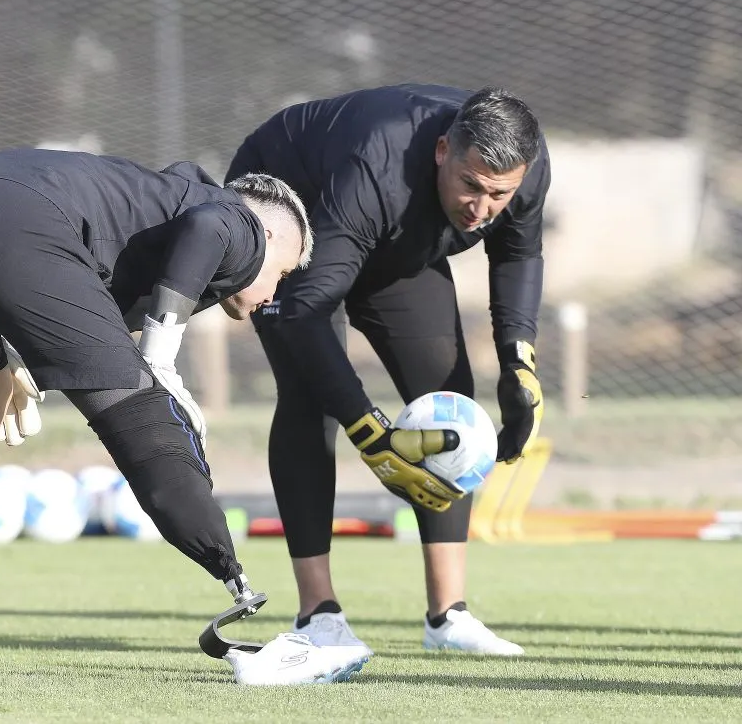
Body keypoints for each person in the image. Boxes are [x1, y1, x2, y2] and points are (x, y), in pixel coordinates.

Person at [0, 147, 455, 683]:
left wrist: (11, 352)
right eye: (285, 272)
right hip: (16, 219)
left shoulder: (148, 221)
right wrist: (161, 362)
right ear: (270, 239)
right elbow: (211, 224)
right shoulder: (237, 223)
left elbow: (47, 270)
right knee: (149, 431)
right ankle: (238, 586)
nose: (277, 292)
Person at [224, 84, 551, 656]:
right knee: (311, 395)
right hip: (294, 207)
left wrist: (518, 361)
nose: (480, 210)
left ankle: (447, 617)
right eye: (470, 186)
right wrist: (370, 430)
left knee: (449, 395)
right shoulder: (377, 172)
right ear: (443, 150)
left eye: (498, 194)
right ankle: (318, 615)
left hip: (393, 231)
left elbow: (518, 254)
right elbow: (303, 313)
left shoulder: (527, 166)